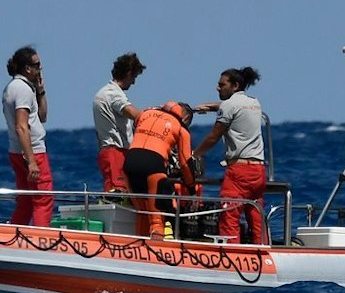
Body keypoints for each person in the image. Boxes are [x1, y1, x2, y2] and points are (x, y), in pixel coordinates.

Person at [194, 67, 267, 245]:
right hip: (258, 170)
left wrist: (194, 154)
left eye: (221, 85)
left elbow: (214, 136)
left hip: (239, 172)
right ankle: (262, 250)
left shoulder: (229, 106)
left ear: (234, 86)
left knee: (229, 216)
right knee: (256, 216)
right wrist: (211, 107)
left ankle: (232, 256)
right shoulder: (254, 102)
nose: (217, 88)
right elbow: (234, 107)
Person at [124, 101, 196, 238]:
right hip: (154, 166)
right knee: (156, 219)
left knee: (142, 213)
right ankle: (158, 249)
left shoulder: (145, 114)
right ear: (185, 118)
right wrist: (191, 187)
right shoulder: (181, 129)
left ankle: (138, 250)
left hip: (129, 163)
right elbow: (185, 162)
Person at [1, 45, 52, 226]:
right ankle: (42, 242)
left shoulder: (15, 88)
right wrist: (31, 161)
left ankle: (16, 234)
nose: (40, 69)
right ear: (27, 68)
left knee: (26, 202)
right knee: (42, 200)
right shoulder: (22, 90)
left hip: (17, 151)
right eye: (37, 65)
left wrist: (40, 91)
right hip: (33, 152)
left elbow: (42, 117)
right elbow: (22, 126)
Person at [93, 53, 147, 192]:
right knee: (117, 194)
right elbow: (133, 113)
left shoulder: (106, 92)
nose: (134, 82)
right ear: (128, 73)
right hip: (115, 153)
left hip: (114, 152)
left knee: (121, 194)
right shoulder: (113, 94)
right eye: (134, 77)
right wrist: (152, 117)